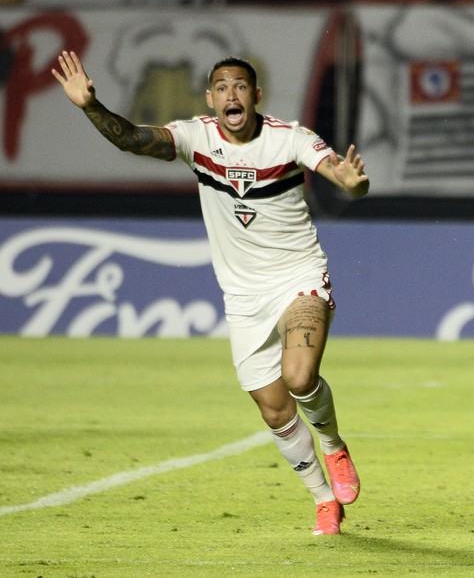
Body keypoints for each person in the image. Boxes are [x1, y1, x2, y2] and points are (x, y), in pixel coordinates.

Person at [52, 50, 367, 536]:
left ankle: (333, 446)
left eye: (240, 86)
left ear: (257, 95)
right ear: (210, 97)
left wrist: (351, 182)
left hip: (297, 277)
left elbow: (332, 168)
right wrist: (90, 107)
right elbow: (134, 139)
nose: (231, 95)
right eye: (221, 88)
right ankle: (324, 500)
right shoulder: (195, 137)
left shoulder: (289, 138)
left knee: (300, 378)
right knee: (274, 408)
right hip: (242, 297)